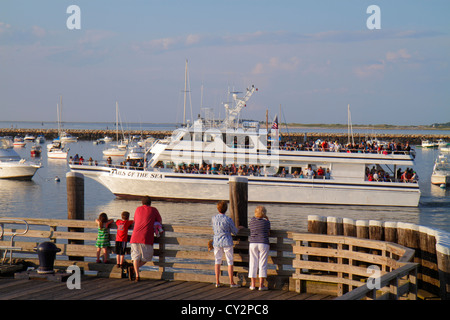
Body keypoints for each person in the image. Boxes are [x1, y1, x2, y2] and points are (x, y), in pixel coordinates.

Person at [129, 196, 162, 282]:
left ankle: (136, 275)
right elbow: (159, 220)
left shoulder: (138, 209)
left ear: (142, 202)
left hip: (135, 236)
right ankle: (133, 269)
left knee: (135, 257)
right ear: (150, 203)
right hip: (146, 237)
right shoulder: (154, 210)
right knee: (147, 257)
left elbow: (135, 220)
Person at [212, 200, 241, 288]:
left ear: (218, 208)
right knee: (230, 261)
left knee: (217, 261)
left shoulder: (213, 218)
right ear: (226, 209)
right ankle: (231, 282)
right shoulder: (228, 219)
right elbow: (235, 232)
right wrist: (239, 228)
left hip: (216, 241)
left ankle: (217, 281)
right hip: (227, 241)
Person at [248, 206, 271, 291]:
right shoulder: (266, 223)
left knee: (253, 263)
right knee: (262, 263)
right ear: (264, 214)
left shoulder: (252, 222)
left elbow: (253, 220)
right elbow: (268, 232)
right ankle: (261, 285)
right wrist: (267, 219)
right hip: (263, 243)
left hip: (253, 243)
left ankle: (253, 284)